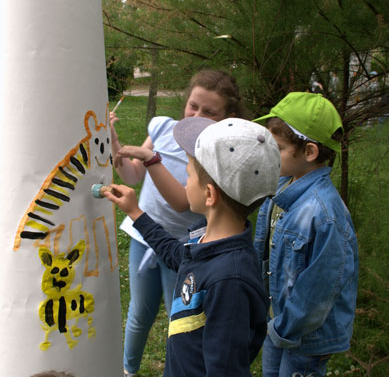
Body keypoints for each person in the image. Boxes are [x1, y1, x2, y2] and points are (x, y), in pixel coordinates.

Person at [105, 116, 281, 377]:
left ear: (209, 194)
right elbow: (179, 257)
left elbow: (226, 370)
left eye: (187, 175)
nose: (185, 182)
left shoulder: (230, 282)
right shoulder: (209, 241)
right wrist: (136, 213)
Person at [109, 70, 248, 377]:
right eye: (193, 106)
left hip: (185, 249)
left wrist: (150, 158)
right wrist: (115, 141)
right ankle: (127, 371)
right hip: (144, 237)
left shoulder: (215, 153)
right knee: (140, 311)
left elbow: (183, 202)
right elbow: (132, 176)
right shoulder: (161, 127)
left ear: (228, 117)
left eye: (209, 112)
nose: (196, 115)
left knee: (181, 320)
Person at [252, 92, 359, 377]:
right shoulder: (282, 187)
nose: (270, 154)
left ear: (309, 152)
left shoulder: (324, 215)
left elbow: (318, 291)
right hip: (278, 324)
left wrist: (283, 328)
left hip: (304, 338)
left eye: (279, 147)